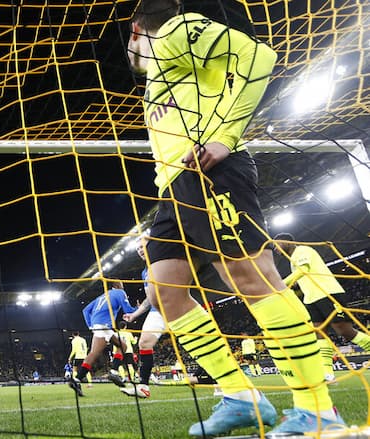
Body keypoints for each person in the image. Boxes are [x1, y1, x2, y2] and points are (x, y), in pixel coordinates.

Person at [128, 0, 343, 435]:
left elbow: (259, 55)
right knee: (165, 290)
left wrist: (224, 137)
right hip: (175, 185)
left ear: (135, 31)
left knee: (251, 277)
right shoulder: (157, 77)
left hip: (211, 170)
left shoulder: (173, 31)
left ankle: (318, 411)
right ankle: (243, 398)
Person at [274, 233, 370, 381]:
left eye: (277, 244)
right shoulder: (292, 259)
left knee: (344, 331)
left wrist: (281, 285)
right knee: (319, 334)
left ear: (286, 242)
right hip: (311, 298)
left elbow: (303, 271)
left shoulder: (302, 251)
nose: (275, 249)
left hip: (327, 293)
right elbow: (303, 279)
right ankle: (328, 374)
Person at [69, 281, 137, 396]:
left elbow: (85, 310)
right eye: (121, 284)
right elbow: (128, 310)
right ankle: (112, 372)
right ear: (117, 286)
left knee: (120, 346)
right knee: (97, 353)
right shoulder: (120, 292)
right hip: (104, 325)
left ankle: (77, 379)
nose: (123, 286)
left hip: (99, 325)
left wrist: (91, 325)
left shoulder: (103, 296)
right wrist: (138, 308)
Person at [122, 235, 167, 398]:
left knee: (197, 343)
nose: (140, 250)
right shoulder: (145, 272)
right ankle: (143, 387)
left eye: (143, 246)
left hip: (176, 307)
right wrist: (134, 314)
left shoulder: (163, 262)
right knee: (144, 343)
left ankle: (221, 381)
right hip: (157, 311)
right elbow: (150, 299)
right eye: (138, 249)